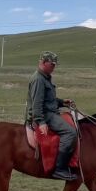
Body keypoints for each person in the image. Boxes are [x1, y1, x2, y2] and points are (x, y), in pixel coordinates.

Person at [26, 51, 77, 181]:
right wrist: (41, 122)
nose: (54, 67)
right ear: (43, 63)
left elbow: (48, 99)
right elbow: (37, 104)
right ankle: (59, 169)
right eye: (52, 64)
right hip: (45, 115)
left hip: (49, 112)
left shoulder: (45, 77)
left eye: (55, 65)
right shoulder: (38, 79)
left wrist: (62, 102)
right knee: (70, 133)